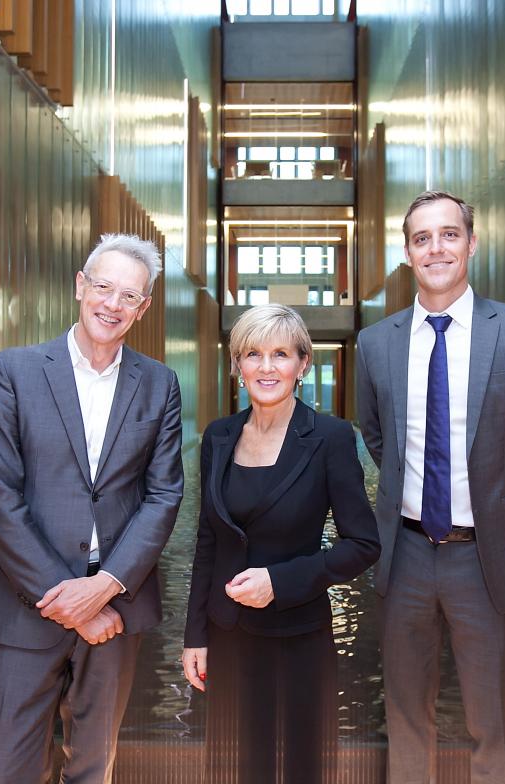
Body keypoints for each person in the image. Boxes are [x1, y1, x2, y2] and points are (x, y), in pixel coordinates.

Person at [355, 191, 505, 784]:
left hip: (489, 556)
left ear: (471, 244)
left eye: (449, 234)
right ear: (407, 253)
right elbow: (377, 437)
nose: (437, 248)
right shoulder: (377, 344)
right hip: (404, 557)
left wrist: (500, 501)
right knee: (404, 716)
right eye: (422, 238)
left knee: (494, 723)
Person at [0, 233, 183, 783]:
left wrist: (104, 586)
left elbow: (164, 495)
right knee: (11, 769)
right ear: (79, 286)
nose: (112, 304)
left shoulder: (159, 384)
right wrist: (70, 601)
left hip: (116, 608)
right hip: (26, 605)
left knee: (94, 768)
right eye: (104, 287)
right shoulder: (13, 372)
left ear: (143, 309)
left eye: (129, 296)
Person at [182, 304, 380, 784]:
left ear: (302, 364)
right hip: (228, 635)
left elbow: (363, 544)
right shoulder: (219, 437)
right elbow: (208, 541)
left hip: (298, 635)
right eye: (253, 354)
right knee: (235, 768)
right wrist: (195, 636)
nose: (266, 367)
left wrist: (281, 580)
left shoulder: (330, 438)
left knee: (301, 767)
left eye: (280, 354)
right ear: (237, 364)